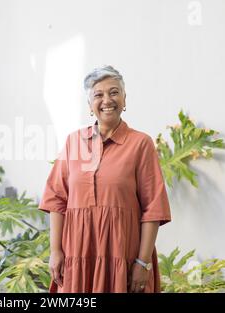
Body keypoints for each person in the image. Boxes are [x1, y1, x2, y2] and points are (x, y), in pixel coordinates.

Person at [39, 65, 171, 293]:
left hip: (123, 255)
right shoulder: (73, 142)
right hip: (77, 255)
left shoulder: (141, 144)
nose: (107, 100)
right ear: (90, 105)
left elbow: (153, 209)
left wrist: (143, 262)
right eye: (98, 95)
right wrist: (55, 251)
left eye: (114, 92)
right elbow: (56, 200)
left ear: (124, 99)